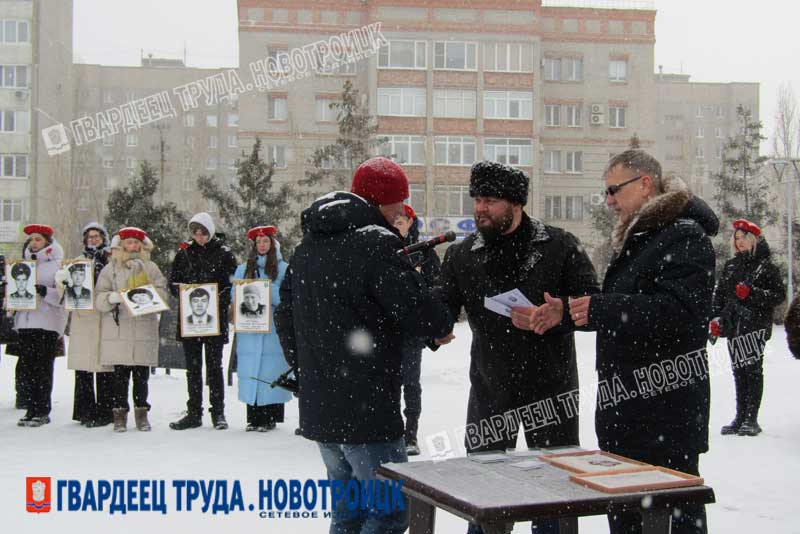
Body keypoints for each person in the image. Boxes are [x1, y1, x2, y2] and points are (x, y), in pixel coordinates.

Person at [275, 157, 454, 534]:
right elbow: (420, 313)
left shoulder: (307, 247)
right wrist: (438, 314)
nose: (401, 211)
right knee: (389, 513)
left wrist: (310, 368)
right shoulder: (376, 243)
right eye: (398, 202)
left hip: (323, 410)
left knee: (348, 514)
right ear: (381, 201)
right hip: (368, 413)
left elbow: (285, 315)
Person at [439, 160, 599, 534]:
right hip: (490, 391)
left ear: (516, 203)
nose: (479, 208)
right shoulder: (463, 255)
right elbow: (442, 307)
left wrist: (558, 313)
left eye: (490, 199)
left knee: (554, 502)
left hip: (551, 392)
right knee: (486, 502)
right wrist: (431, 326)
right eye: (477, 198)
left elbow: (592, 301)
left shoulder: (559, 245)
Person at [568, 150, 717, 534]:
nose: (610, 201)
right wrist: (570, 314)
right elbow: (630, 315)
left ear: (645, 184)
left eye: (614, 190)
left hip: (664, 415)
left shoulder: (685, 236)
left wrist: (601, 309)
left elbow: (680, 314)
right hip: (628, 416)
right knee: (628, 522)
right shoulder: (641, 237)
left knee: (670, 524)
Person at [710, 219, 784, 436]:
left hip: (755, 327)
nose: (739, 241)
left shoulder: (766, 267)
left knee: (752, 371)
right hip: (734, 327)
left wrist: (753, 294)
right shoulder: (731, 265)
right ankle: (740, 417)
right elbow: (720, 294)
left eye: (743, 238)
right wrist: (715, 318)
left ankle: (751, 418)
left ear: (752, 239)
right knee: (738, 372)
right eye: (736, 238)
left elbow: (778, 296)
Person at [169, 212, 237, 430]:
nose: (199, 237)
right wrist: (181, 290)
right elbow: (173, 282)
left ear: (210, 232)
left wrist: (218, 298)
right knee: (193, 368)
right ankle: (193, 412)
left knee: (214, 368)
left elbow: (230, 284)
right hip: (191, 321)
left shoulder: (224, 254)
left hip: (213, 320)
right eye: (195, 233)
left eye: (203, 233)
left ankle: (218, 412)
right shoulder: (184, 253)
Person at [95, 227, 168, 432]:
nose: (133, 246)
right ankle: (119, 414)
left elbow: (163, 292)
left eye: (136, 242)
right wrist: (112, 298)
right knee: (120, 378)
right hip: (119, 330)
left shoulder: (150, 267)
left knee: (141, 377)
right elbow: (99, 297)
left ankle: (141, 413)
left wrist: (150, 296)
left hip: (143, 328)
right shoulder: (111, 269)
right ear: (121, 244)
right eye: (129, 242)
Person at [392, 204, 442, 456]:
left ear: (411, 223)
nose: (397, 222)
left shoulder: (424, 252)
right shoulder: (382, 247)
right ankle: (389, 432)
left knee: (410, 383)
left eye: (402, 220)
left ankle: (410, 434)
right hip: (385, 330)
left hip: (411, 331)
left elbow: (438, 287)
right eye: (394, 219)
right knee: (385, 384)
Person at [232, 225, 292, 431]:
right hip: (250, 328)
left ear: (272, 244)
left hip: (273, 331)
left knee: (270, 372)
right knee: (251, 372)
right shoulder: (242, 270)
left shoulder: (283, 269)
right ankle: (254, 417)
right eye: (258, 242)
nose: (262, 245)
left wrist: (266, 287)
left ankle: (270, 417)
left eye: (265, 241)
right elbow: (235, 295)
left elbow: (286, 298)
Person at [57, 222, 115, 428]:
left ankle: (105, 410)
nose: (92, 240)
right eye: (89, 237)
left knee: (104, 365)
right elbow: (63, 292)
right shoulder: (77, 262)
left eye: (96, 237)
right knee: (84, 366)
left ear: (103, 238)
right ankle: (84, 410)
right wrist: (63, 283)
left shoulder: (110, 261)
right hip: (83, 319)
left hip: (103, 317)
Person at [11, 224, 68, 427]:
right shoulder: (23, 263)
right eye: (32, 239)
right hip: (26, 321)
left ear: (47, 242)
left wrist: (45, 292)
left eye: (38, 239)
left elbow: (65, 295)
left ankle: (42, 409)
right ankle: (30, 408)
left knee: (43, 368)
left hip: (47, 322)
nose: (34, 243)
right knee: (28, 367)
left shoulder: (58, 265)